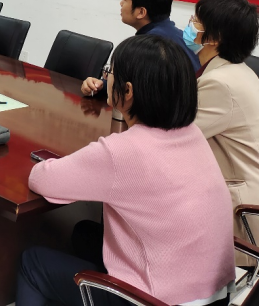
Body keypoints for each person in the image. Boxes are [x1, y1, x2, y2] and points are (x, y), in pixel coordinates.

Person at [18, 35, 234, 306]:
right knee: (84, 233)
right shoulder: (193, 134)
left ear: (128, 91)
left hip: (157, 301)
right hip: (215, 295)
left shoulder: (123, 151)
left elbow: (42, 179)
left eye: (109, 71)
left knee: (33, 264)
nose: (106, 77)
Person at [185, 0, 259, 259]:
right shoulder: (236, 71)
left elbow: (175, 136)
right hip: (251, 194)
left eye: (197, 20)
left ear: (215, 37)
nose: (190, 24)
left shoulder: (221, 83)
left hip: (243, 213)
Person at [81, 0, 200, 97]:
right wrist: (101, 85)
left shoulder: (149, 47)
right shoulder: (180, 36)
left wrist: (105, 86)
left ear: (141, 12)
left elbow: (132, 92)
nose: (121, 3)